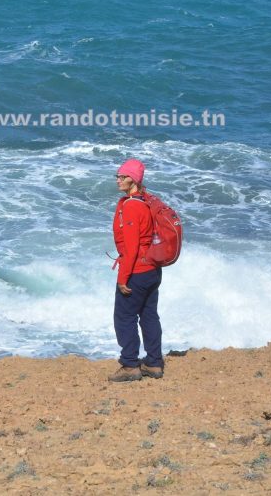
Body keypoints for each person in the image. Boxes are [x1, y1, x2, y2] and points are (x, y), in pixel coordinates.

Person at [108, 158, 164, 383]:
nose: (118, 180)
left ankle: (130, 364)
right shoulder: (146, 201)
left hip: (137, 271)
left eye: (123, 177)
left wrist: (123, 278)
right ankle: (154, 363)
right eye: (118, 176)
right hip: (152, 269)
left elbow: (130, 249)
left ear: (134, 180)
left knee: (124, 317)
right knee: (149, 315)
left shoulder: (131, 207)